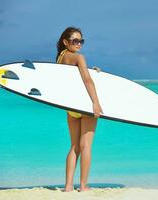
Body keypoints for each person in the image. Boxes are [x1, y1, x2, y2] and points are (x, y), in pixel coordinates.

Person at [56, 27, 103, 192]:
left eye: (81, 41)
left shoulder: (60, 58)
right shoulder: (78, 57)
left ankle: (68, 186)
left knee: (74, 146)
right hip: (84, 105)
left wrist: (92, 70)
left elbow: (72, 79)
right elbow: (87, 81)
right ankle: (83, 186)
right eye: (75, 40)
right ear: (65, 41)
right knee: (86, 147)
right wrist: (96, 103)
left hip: (71, 107)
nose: (79, 44)